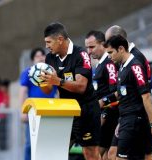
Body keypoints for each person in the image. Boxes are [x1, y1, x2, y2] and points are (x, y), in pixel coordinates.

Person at [39, 22, 101, 160]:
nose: (47, 46)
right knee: (57, 152)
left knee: (90, 154)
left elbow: (81, 87)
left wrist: (58, 81)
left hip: (86, 110)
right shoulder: (50, 57)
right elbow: (47, 90)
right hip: (66, 111)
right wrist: (41, 81)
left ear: (60, 39)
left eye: (49, 42)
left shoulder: (81, 54)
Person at [104, 35, 152, 159]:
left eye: (110, 52)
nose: (109, 56)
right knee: (146, 156)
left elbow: (146, 96)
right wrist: (104, 101)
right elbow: (123, 94)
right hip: (128, 119)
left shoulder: (135, 67)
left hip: (133, 120)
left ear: (120, 49)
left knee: (118, 156)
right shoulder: (122, 66)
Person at [85, 30, 119, 160]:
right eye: (87, 47)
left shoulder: (109, 64)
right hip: (104, 115)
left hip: (110, 116)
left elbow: (116, 92)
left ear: (103, 45)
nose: (89, 51)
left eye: (92, 47)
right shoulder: (100, 65)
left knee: (95, 153)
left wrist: (103, 109)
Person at [19, 47, 57, 160]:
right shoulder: (27, 72)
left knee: (48, 143)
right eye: (37, 55)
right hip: (33, 112)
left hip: (50, 112)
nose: (40, 57)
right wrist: (23, 111)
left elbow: (59, 91)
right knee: (30, 144)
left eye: (42, 55)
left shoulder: (52, 72)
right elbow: (23, 92)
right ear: (32, 60)